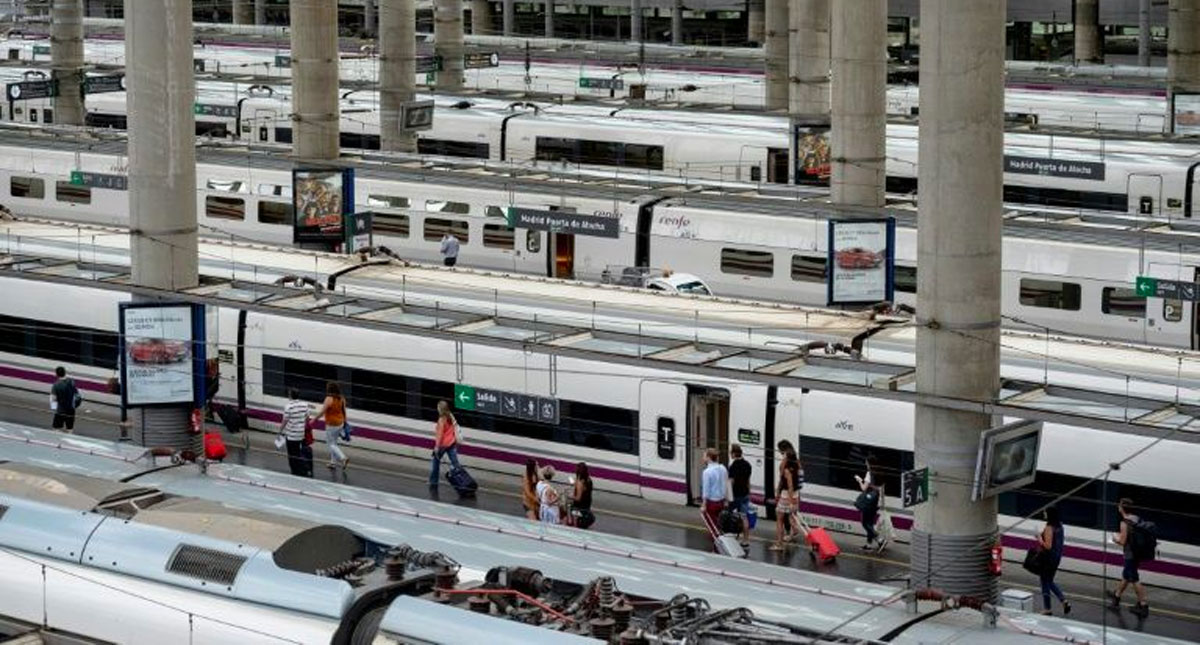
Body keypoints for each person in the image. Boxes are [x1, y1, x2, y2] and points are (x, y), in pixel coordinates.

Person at [1111, 498, 1150, 617]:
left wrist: (1114, 538)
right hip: (1137, 553)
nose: (1118, 506)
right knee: (1126, 575)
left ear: (1122, 508)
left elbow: (1123, 541)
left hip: (1130, 554)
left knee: (1134, 578)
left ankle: (1143, 605)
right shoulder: (1135, 518)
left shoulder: (1124, 523)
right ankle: (1116, 598)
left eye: (1120, 505)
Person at [1037, 506, 1071, 616]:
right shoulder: (1060, 525)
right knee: (1049, 581)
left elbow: (1048, 545)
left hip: (1048, 558)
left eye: (1045, 512)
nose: (1044, 513)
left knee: (1045, 582)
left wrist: (1039, 538)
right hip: (1057, 557)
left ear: (1049, 514)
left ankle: (1048, 609)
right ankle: (1063, 601)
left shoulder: (1049, 527)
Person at [311, 381, 349, 470]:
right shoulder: (342, 398)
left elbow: (322, 412)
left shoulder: (329, 399)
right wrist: (345, 422)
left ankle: (343, 458)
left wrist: (314, 420)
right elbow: (344, 411)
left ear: (330, 389)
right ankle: (333, 463)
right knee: (334, 443)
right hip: (340, 423)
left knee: (330, 443)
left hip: (332, 424)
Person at [279, 388, 313, 478]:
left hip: (291, 435)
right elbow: (307, 419)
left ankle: (295, 470)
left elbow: (285, 421)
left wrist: (280, 431)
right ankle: (303, 468)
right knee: (298, 452)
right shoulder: (305, 405)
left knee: (292, 454)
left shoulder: (288, 406)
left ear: (290, 396)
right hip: (301, 434)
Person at [428, 401, 461, 487]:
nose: (437, 409)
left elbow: (440, 434)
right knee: (455, 464)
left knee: (435, 462)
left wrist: (436, 447)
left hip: (442, 445)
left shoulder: (441, 419)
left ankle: (433, 481)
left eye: (438, 407)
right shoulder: (450, 416)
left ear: (441, 409)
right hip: (452, 443)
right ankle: (462, 481)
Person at [773, 448, 801, 550]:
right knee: (791, 517)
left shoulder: (786, 470)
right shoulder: (797, 466)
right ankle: (795, 532)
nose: (782, 457)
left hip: (786, 497)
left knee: (779, 520)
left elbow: (789, 486)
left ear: (787, 459)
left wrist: (790, 502)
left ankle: (779, 544)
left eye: (784, 456)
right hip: (796, 495)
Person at [727, 444, 752, 547]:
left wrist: (728, 496)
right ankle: (746, 540)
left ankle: (729, 536)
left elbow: (731, 482)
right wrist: (748, 493)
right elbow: (748, 481)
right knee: (744, 517)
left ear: (733, 453)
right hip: (745, 494)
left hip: (735, 495)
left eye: (730, 453)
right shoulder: (748, 464)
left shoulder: (733, 466)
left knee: (728, 515)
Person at [700, 448, 728, 537]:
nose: (703, 458)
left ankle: (716, 548)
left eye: (704, 456)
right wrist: (727, 500)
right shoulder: (723, 468)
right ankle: (720, 544)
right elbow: (726, 484)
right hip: (721, 501)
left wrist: (704, 505)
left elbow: (706, 490)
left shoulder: (707, 472)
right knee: (720, 525)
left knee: (712, 528)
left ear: (709, 457)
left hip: (711, 503)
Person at [855, 456, 881, 550]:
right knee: (870, 523)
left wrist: (859, 480)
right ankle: (869, 544)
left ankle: (879, 540)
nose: (866, 464)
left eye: (866, 463)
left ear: (869, 463)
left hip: (868, 502)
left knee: (865, 523)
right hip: (875, 501)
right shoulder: (879, 472)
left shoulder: (869, 473)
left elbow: (863, 488)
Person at [49, 366, 80, 432]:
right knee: (69, 429)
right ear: (65, 372)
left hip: (61, 410)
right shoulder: (71, 381)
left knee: (56, 429)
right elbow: (76, 393)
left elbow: (54, 398)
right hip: (71, 409)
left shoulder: (56, 385)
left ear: (56, 374)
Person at [569, 461, 595, 529]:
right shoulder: (589, 480)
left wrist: (570, 496)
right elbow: (584, 490)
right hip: (586, 506)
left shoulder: (580, 482)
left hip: (578, 508)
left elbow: (578, 498)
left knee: (575, 525)